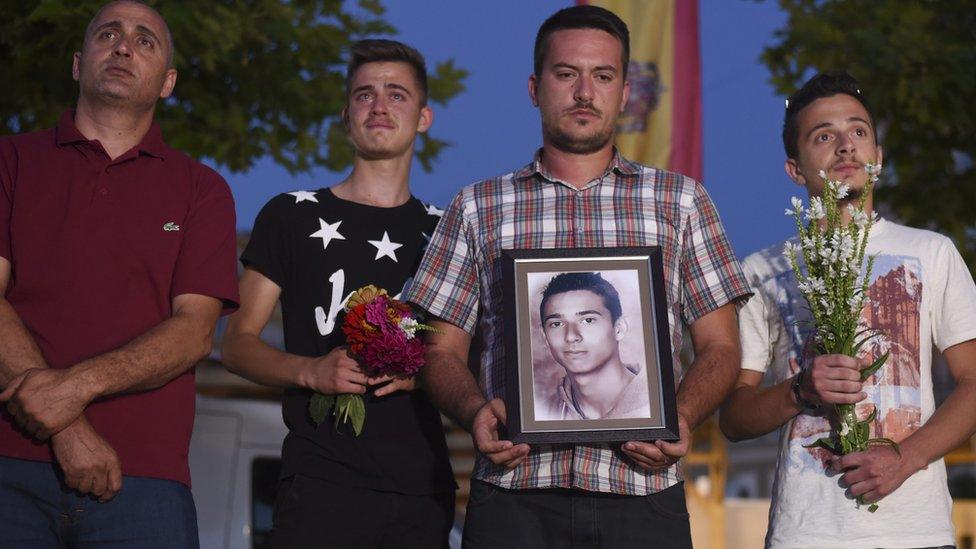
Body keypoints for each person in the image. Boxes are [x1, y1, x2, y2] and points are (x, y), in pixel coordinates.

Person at [404, 5, 750, 547]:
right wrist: (475, 411)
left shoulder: (681, 201)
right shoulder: (477, 207)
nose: (584, 91)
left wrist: (679, 415)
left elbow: (722, 346)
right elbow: (439, 349)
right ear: (535, 87)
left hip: (642, 492)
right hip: (514, 493)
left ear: (624, 90)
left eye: (603, 75)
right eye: (567, 74)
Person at [0, 1, 239, 547]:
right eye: (108, 34)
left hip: (147, 481)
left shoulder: (202, 189)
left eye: (145, 40)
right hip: (8, 464)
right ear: (79, 63)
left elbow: (195, 331)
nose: (125, 46)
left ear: (168, 82)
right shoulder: (10, 161)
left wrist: (71, 390)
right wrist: (68, 429)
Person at [720, 71, 976, 548]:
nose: (845, 146)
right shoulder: (762, 270)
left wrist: (906, 456)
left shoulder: (933, 252)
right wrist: (801, 390)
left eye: (859, 132)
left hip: (917, 533)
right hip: (806, 535)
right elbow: (734, 418)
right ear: (795, 168)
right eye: (824, 136)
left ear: (877, 158)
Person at [220, 39, 455, 549]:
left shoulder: (450, 231)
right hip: (318, 485)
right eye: (364, 94)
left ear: (423, 118)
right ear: (346, 115)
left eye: (397, 94)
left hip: (421, 490)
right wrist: (311, 371)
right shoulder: (290, 216)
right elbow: (236, 343)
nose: (379, 105)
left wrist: (427, 376)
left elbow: (477, 354)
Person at [536, 271, 650, 421]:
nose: (571, 336)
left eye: (588, 320)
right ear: (545, 337)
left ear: (619, 329)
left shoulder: (655, 403)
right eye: (557, 324)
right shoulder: (540, 415)